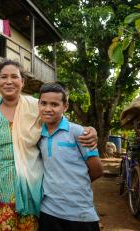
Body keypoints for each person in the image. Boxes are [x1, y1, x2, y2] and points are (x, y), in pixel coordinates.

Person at [0, 60, 98, 230]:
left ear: (22, 82)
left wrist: (90, 130)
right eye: (3, 77)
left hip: (31, 189)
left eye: (14, 76)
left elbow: (61, 122)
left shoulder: (37, 106)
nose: (9, 81)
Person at [37, 82, 103, 231]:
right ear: (38, 104)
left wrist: (75, 184)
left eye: (54, 104)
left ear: (65, 107)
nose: (48, 109)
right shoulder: (37, 134)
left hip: (80, 213)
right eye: (44, 103)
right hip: (48, 211)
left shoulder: (79, 133)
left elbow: (97, 170)